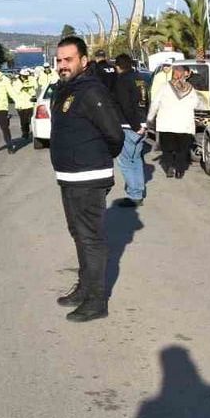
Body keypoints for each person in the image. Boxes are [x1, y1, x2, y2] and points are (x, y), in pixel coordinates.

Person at [50, 36, 125, 323]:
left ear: (84, 60)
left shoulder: (91, 91)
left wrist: (96, 160)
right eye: (59, 60)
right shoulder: (67, 89)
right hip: (69, 178)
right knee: (78, 234)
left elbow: (115, 135)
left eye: (68, 60)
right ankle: (84, 288)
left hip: (88, 177)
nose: (62, 65)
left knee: (91, 239)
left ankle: (97, 300)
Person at [147, 63, 206, 179]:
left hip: (166, 125)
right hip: (184, 126)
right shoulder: (190, 89)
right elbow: (197, 104)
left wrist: (150, 118)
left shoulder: (164, 87)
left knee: (167, 149)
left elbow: (155, 104)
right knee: (182, 150)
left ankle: (169, 167)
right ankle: (180, 171)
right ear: (184, 75)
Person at [111, 53, 149, 206]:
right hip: (141, 124)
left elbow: (126, 106)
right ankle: (138, 190)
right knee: (136, 159)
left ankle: (134, 195)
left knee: (126, 162)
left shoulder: (122, 81)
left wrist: (136, 126)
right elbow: (146, 101)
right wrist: (144, 124)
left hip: (128, 126)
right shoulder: (140, 79)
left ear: (118, 66)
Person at [12, 68, 39, 141]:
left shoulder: (30, 80)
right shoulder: (16, 82)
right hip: (20, 105)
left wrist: (33, 96)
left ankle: (31, 132)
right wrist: (24, 87)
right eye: (24, 76)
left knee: (30, 119)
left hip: (29, 104)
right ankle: (25, 133)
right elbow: (16, 91)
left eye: (26, 76)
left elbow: (34, 88)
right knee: (23, 121)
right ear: (21, 75)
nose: (25, 77)